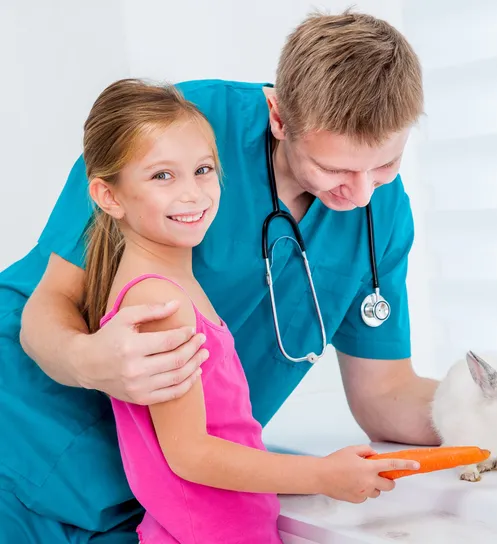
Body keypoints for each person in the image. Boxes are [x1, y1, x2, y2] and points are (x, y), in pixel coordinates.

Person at [0, 9, 497, 544]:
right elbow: (51, 302)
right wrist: (89, 361)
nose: (360, 194)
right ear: (279, 115)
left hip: (163, 495)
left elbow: (384, 396)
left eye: (386, 163)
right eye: (333, 167)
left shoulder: (382, 212)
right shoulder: (179, 140)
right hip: (28, 438)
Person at [79, 77, 418, 544]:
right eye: (162, 176)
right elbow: (190, 455)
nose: (193, 194)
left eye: (203, 170)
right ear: (109, 197)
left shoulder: (176, 284)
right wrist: (321, 476)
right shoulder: (159, 303)